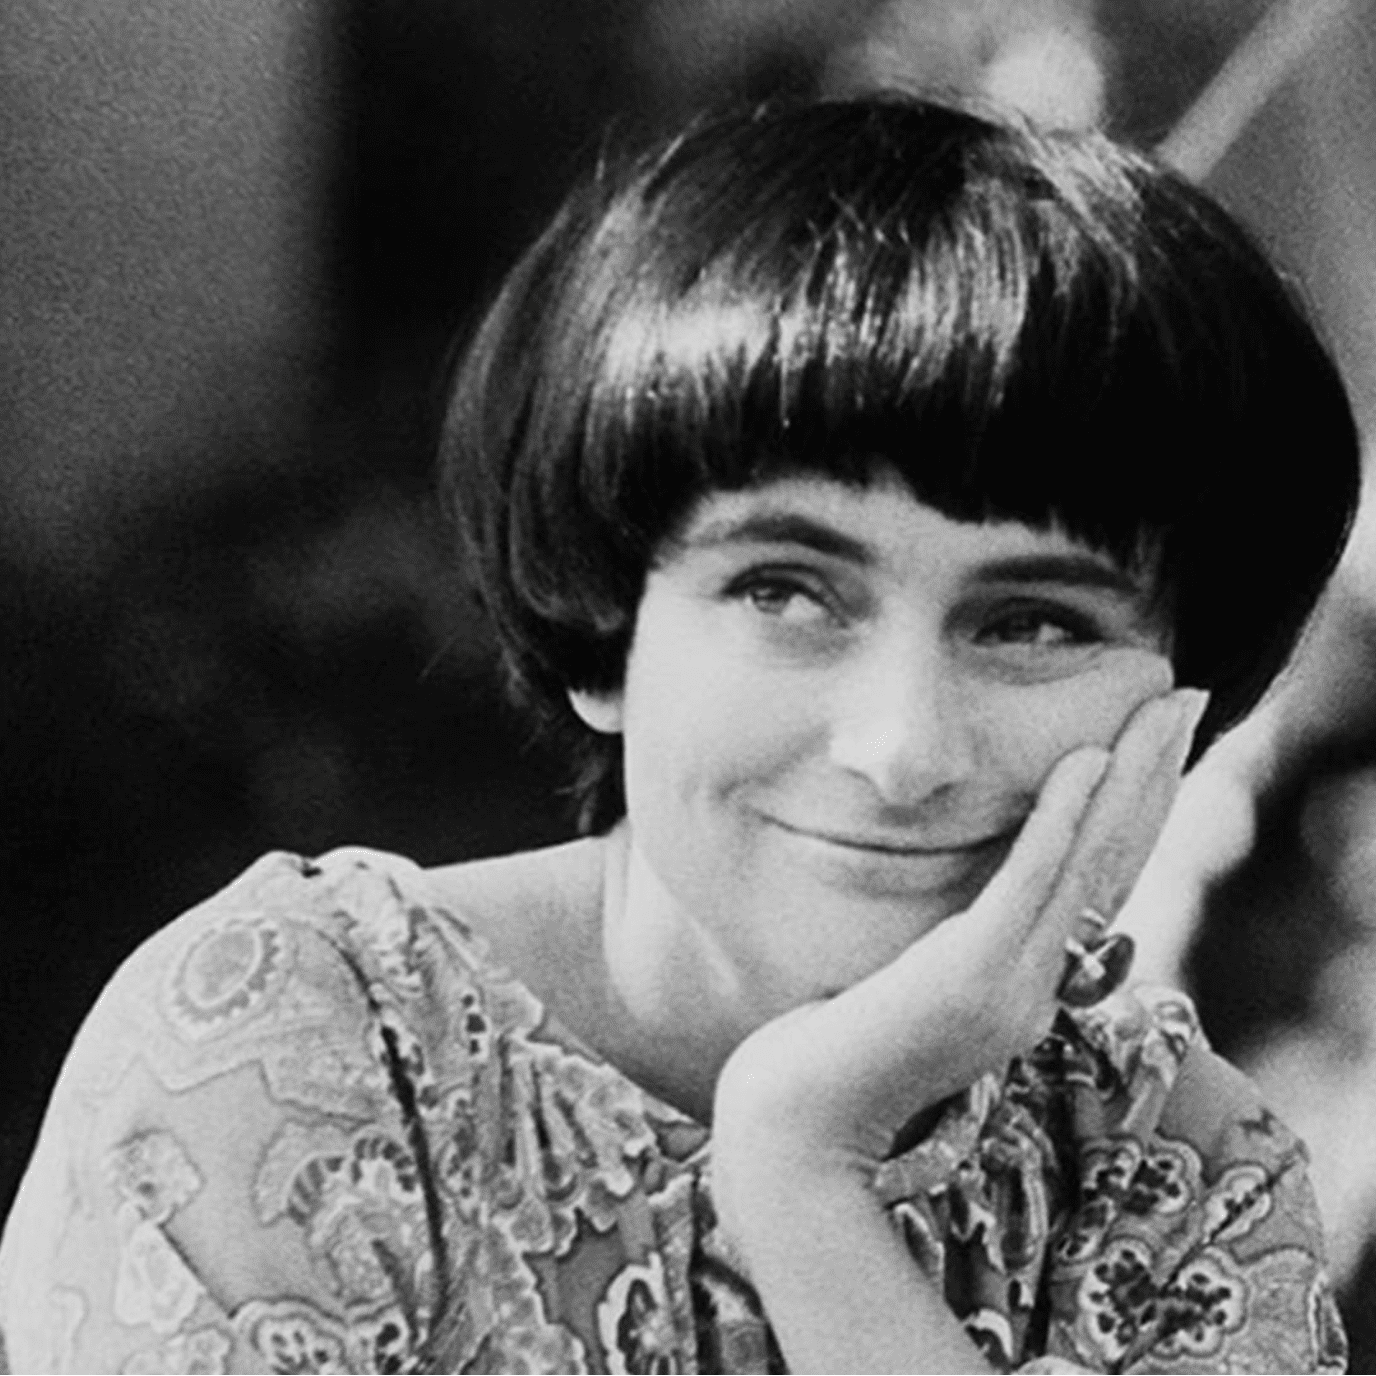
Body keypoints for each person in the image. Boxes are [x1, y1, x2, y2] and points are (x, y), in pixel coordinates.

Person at [0, 97, 1360, 1374]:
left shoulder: (1183, 1177)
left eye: (1036, 623)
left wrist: (802, 1177)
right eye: (786, 592)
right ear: (608, 633)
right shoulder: (299, 1045)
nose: (901, 747)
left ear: (1181, 701)